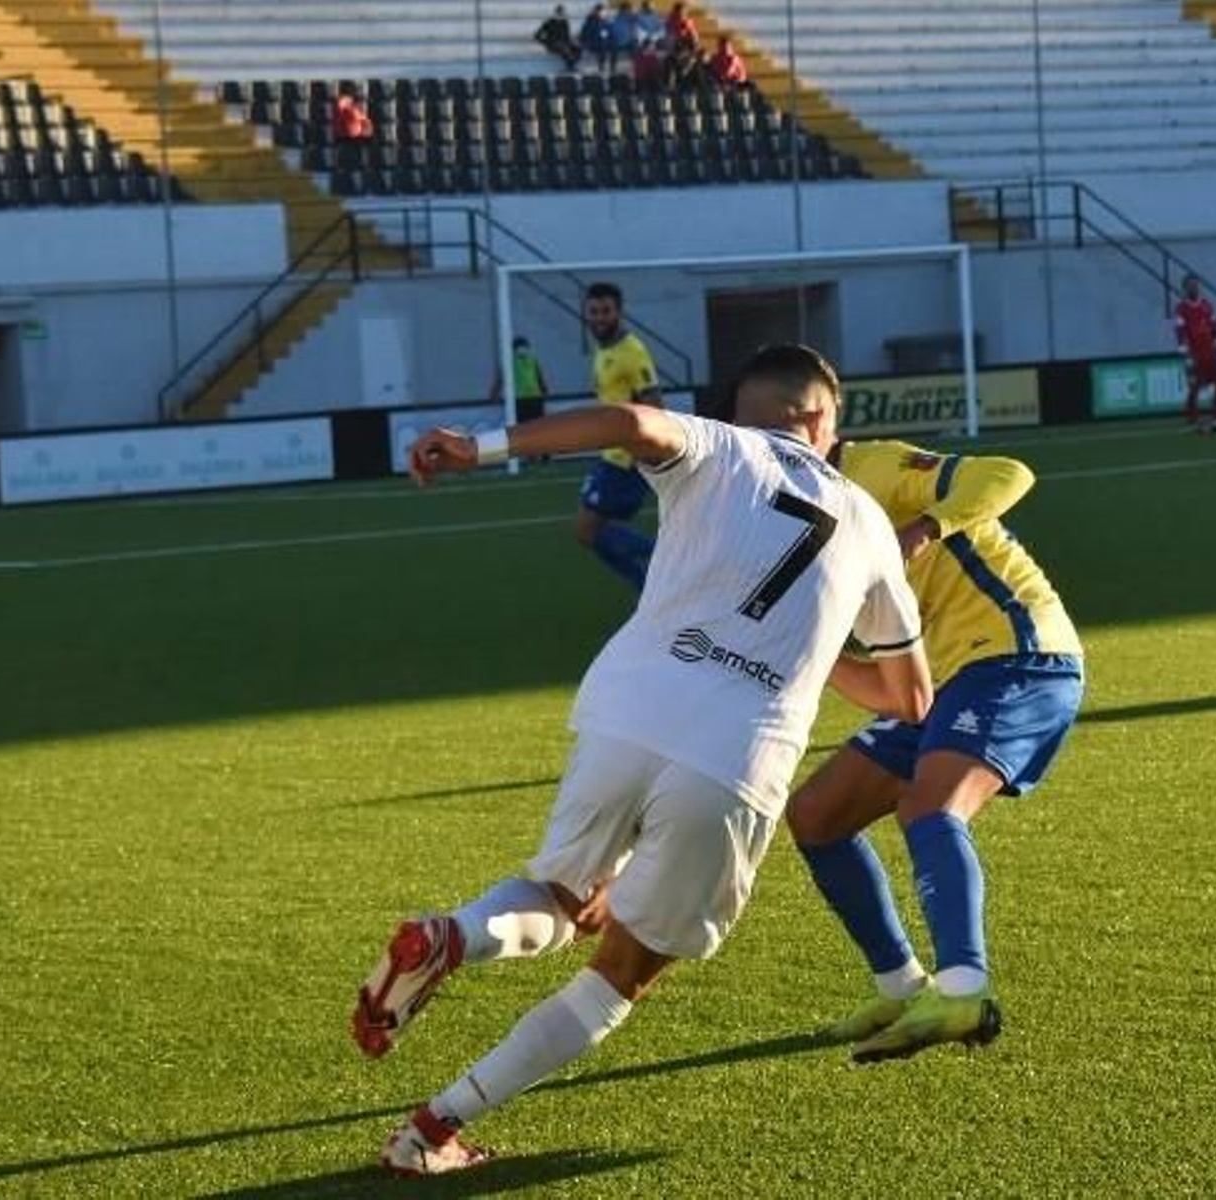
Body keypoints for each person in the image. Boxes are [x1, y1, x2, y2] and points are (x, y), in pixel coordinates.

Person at [355, 344, 932, 1177]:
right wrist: (811, 648)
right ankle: (430, 1133)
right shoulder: (870, 523)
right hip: (736, 757)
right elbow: (910, 698)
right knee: (619, 975)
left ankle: (454, 934)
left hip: (627, 712)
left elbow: (627, 422)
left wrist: (478, 446)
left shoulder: (719, 446)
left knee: (562, 899)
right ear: (818, 418)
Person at [787, 439, 1083, 1062]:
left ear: (816, 419)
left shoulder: (869, 469)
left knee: (929, 807)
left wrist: (922, 529)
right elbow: (891, 693)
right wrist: (810, 650)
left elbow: (1008, 471)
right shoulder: (794, 525)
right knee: (817, 815)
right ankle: (901, 988)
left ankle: (964, 992)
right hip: (945, 684)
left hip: (1019, 654)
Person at [575, 281, 662, 588]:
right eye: (594, 311)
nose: (599, 317)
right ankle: (654, 583)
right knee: (589, 532)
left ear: (619, 313)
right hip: (612, 454)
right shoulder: (605, 350)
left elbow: (653, 403)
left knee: (588, 530)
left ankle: (663, 567)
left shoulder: (631, 352)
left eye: (606, 311)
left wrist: (646, 453)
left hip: (626, 459)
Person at [1174, 273, 1216, 433]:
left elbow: (1215, 330)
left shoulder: (1207, 306)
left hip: (1211, 353)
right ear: (1185, 288)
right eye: (1190, 285)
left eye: (1196, 285)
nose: (1194, 288)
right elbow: (1180, 334)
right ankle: (1192, 421)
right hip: (1195, 354)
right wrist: (1186, 356)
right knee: (1194, 387)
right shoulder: (1181, 309)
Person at [487, 336, 550, 426]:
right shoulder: (526, 361)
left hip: (526, 399)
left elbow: (500, 380)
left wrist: (493, 395)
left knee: (527, 426)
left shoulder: (525, 361)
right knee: (533, 425)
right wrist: (545, 391)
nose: (523, 350)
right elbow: (540, 378)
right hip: (527, 399)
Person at [534, 5, 582, 72]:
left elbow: (567, 36)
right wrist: (546, 42)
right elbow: (537, 35)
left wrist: (572, 43)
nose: (560, 15)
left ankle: (571, 66)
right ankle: (569, 67)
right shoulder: (549, 23)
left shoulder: (564, 23)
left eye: (562, 13)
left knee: (578, 48)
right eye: (559, 13)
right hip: (553, 44)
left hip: (564, 43)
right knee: (565, 49)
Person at [579, 3, 613, 73]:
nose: (604, 13)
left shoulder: (605, 22)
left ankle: (603, 67)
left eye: (604, 11)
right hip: (593, 47)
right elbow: (585, 35)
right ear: (597, 12)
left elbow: (610, 34)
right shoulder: (590, 21)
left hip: (601, 47)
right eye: (602, 11)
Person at [609, 0, 640, 73]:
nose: (629, 11)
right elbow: (614, 30)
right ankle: (612, 68)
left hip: (629, 42)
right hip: (619, 42)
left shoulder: (632, 18)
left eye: (629, 9)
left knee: (635, 47)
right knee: (614, 48)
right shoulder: (617, 18)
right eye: (628, 9)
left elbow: (639, 20)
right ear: (624, 10)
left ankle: (637, 67)